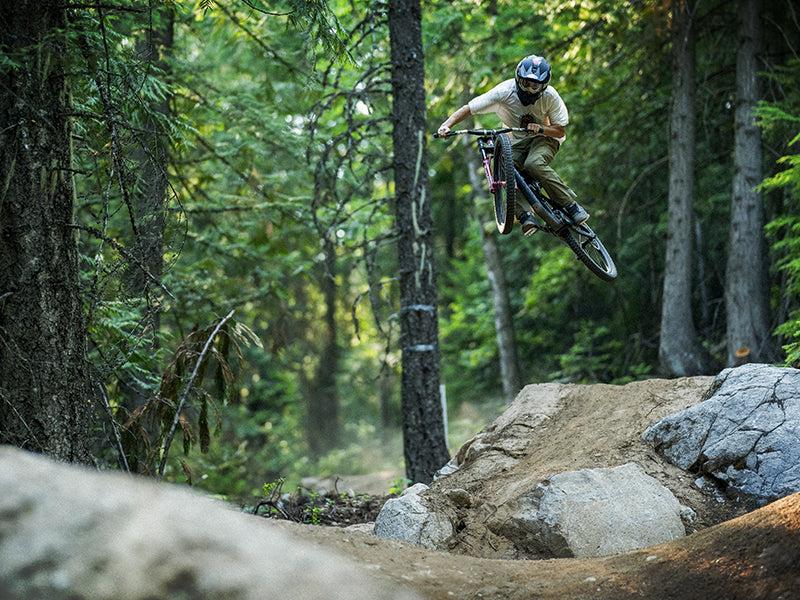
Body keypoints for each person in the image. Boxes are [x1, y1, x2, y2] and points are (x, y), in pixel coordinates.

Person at [437, 54, 588, 234]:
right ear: (518, 79)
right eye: (525, 83)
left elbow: (560, 131)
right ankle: (525, 215)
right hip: (516, 143)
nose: (529, 90)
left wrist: (540, 129)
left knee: (533, 164)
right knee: (502, 164)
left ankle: (571, 206)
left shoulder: (550, 97)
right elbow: (469, 108)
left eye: (535, 86)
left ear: (544, 86)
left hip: (545, 138)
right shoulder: (504, 91)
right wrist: (446, 125)